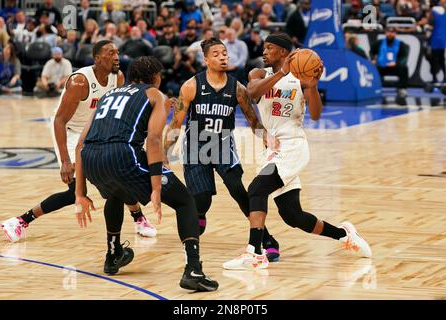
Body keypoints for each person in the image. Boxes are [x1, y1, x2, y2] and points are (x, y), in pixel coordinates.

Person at [223, 32, 372, 270]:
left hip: (293, 145)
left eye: (269, 48)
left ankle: (255, 253)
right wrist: (282, 72)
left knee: (256, 189)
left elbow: (315, 114)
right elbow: (252, 93)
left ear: (284, 52)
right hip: (272, 150)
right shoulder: (259, 74)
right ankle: (345, 235)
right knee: (293, 216)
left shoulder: (301, 81)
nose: (264, 52)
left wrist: (312, 87)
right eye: (264, 48)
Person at [74, 56, 219, 291]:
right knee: (185, 202)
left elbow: (80, 145)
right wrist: (156, 186)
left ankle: (113, 255)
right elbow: (152, 139)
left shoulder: (109, 95)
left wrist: (80, 193)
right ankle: (193, 269)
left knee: (116, 193)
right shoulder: (155, 94)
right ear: (155, 77)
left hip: (91, 159)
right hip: (122, 154)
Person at [1, 41, 155, 242]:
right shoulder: (80, 82)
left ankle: (138, 218)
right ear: (98, 58)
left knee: (117, 172)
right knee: (74, 192)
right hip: (70, 131)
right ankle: (20, 221)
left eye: (117, 52)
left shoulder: (117, 77)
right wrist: (65, 160)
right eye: (111, 53)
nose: (117, 56)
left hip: (96, 129)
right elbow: (59, 120)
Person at [163, 37, 282, 262]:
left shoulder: (237, 89)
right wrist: (165, 155)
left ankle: (266, 239)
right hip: (196, 146)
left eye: (225, 53)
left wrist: (268, 140)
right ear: (206, 59)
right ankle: (199, 214)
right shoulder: (191, 86)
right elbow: (175, 124)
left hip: (223, 144)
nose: (222, 57)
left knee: (238, 189)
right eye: (216, 54)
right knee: (202, 200)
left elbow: (253, 122)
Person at [370, 26, 409, 99]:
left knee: (404, 68)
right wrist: (373, 59)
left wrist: (396, 63)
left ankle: (402, 89)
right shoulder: (379, 43)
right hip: (381, 66)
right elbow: (372, 52)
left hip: (395, 67)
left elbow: (404, 57)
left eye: (392, 32)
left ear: (395, 34)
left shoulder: (401, 44)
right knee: (374, 68)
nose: (390, 34)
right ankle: (376, 88)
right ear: (385, 33)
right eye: (388, 32)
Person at [427, 0, 446, 84]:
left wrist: (427, 38)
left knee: (434, 59)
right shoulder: (444, 11)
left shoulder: (433, 12)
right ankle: (445, 77)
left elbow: (430, 26)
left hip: (435, 38)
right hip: (443, 38)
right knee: (441, 59)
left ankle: (435, 78)